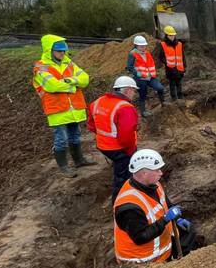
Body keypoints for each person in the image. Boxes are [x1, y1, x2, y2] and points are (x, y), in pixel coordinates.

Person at [113, 149, 196, 263]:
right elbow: (141, 237)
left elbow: (166, 204)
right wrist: (165, 219)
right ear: (144, 173)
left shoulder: (153, 184)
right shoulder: (129, 206)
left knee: (189, 232)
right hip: (143, 260)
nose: (161, 173)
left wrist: (177, 219)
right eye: (157, 170)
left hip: (162, 244)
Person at [32, 34, 96, 178]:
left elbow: (85, 79)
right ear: (50, 50)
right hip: (57, 110)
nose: (63, 53)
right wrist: (73, 85)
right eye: (59, 51)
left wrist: (69, 80)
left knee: (75, 137)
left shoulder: (69, 64)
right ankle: (64, 166)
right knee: (61, 140)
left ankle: (79, 160)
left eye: (64, 51)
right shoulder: (41, 67)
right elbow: (52, 85)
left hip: (73, 109)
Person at [87, 76, 139, 201]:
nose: (134, 94)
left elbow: (91, 125)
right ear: (127, 90)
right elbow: (127, 137)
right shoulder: (125, 107)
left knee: (120, 166)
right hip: (119, 149)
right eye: (134, 91)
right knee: (122, 178)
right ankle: (120, 202)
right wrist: (131, 152)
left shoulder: (97, 102)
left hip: (102, 146)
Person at [127, 35, 166, 117]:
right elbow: (129, 67)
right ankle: (143, 112)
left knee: (160, 88)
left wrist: (153, 73)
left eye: (144, 45)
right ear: (136, 45)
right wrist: (138, 74)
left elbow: (150, 64)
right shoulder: (132, 54)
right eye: (141, 46)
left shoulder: (147, 53)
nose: (143, 47)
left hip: (150, 77)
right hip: (140, 78)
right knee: (143, 94)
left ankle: (163, 103)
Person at [155, 25, 186, 101]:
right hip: (170, 69)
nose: (172, 37)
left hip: (179, 68)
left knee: (179, 83)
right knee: (172, 84)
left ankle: (180, 97)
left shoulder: (179, 44)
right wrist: (167, 63)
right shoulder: (163, 45)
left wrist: (184, 66)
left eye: (173, 35)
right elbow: (161, 57)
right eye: (170, 35)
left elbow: (182, 55)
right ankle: (174, 98)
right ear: (166, 35)